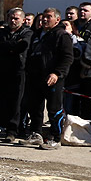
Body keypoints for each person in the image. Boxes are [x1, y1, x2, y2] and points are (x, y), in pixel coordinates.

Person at [21, 8, 73, 150]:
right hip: (35, 77)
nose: (45, 19)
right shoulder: (36, 35)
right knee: (35, 107)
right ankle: (36, 134)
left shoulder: (62, 35)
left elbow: (68, 57)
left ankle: (55, 138)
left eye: (49, 17)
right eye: (43, 17)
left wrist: (57, 73)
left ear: (57, 19)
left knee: (54, 109)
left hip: (53, 78)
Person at [0, 8, 32, 143]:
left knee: (15, 103)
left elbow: (22, 47)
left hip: (18, 71)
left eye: (16, 18)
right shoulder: (1, 32)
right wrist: (11, 46)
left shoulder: (27, 33)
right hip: (1, 70)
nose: (13, 21)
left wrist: (5, 47)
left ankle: (12, 131)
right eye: (11, 18)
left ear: (23, 20)